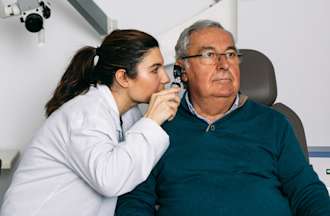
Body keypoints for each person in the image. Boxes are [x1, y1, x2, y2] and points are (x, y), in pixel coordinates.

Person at [115, 20, 330, 215]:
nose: (223, 64)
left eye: (230, 54)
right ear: (183, 70)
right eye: (208, 55)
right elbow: (134, 203)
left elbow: (308, 193)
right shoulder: (157, 127)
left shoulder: (274, 123)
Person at [0, 29, 180, 216]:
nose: (165, 78)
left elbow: (133, 165)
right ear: (122, 77)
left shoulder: (128, 115)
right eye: (155, 69)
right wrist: (151, 122)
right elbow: (110, 180)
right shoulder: (86, 114)